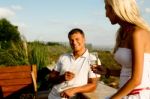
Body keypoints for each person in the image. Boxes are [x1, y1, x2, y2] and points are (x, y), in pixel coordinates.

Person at [92, 0, 150, 98]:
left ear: (117, 8)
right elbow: (127, 70)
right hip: (126, 94)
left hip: (137, 95)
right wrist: (108, 71)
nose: (106, 15)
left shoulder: (138, 33)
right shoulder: (123, 33)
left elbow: (136, 79)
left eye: (107, 8)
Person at [48, 28, 100, 99]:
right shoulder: (63, 57)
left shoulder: (92, 59)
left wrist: (73, 90)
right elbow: (50, 78)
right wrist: (62, 77)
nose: (74, 42)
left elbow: (93, 85)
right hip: (53, 96)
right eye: (71, 40)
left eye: (77, 39)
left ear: (84, 39)